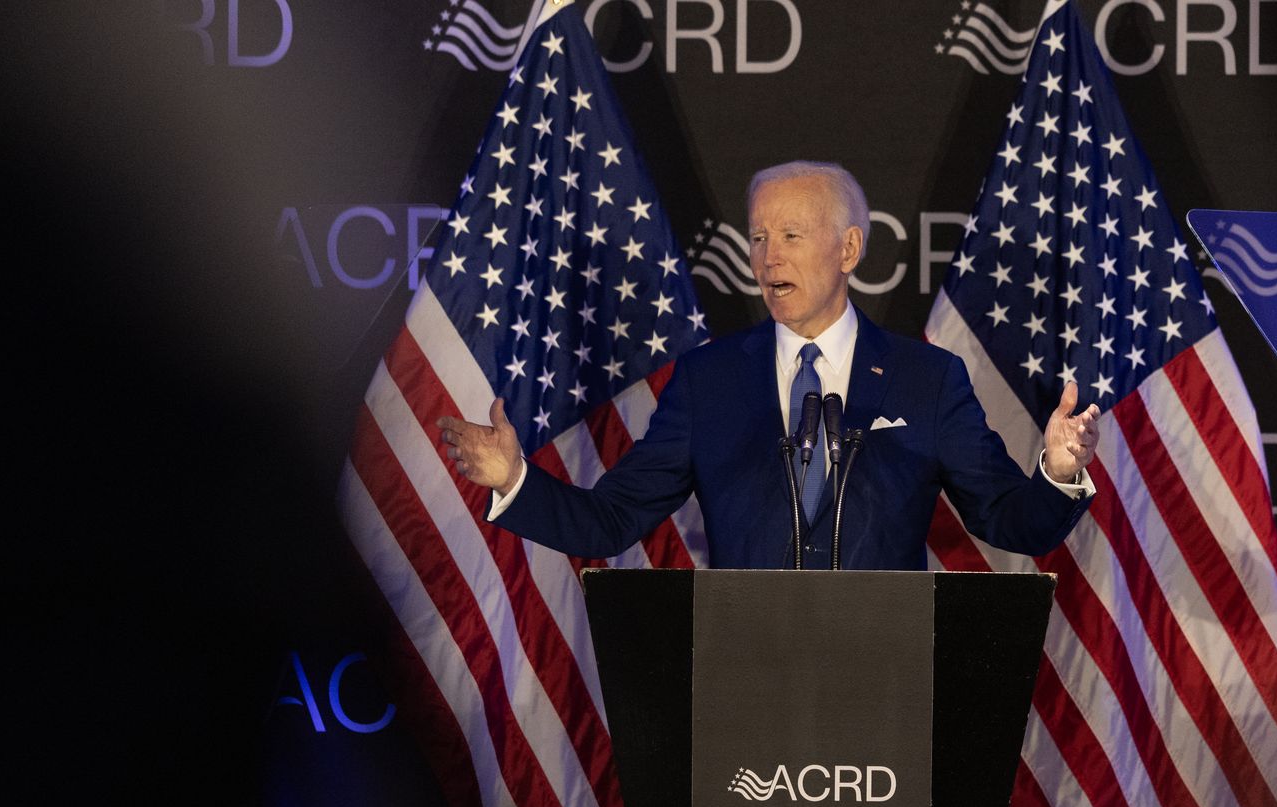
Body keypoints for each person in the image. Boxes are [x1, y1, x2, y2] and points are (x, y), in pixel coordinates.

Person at [437, 160, 1101, 569]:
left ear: (847, 249)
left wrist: (1059, 473)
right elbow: (611, 521)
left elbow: (1009, 520)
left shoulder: (926, 379)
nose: (767, 258)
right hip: (745, 679)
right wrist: (516, 479)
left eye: (790, 235)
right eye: (757, 237)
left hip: (884, 677)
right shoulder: (708, 382)